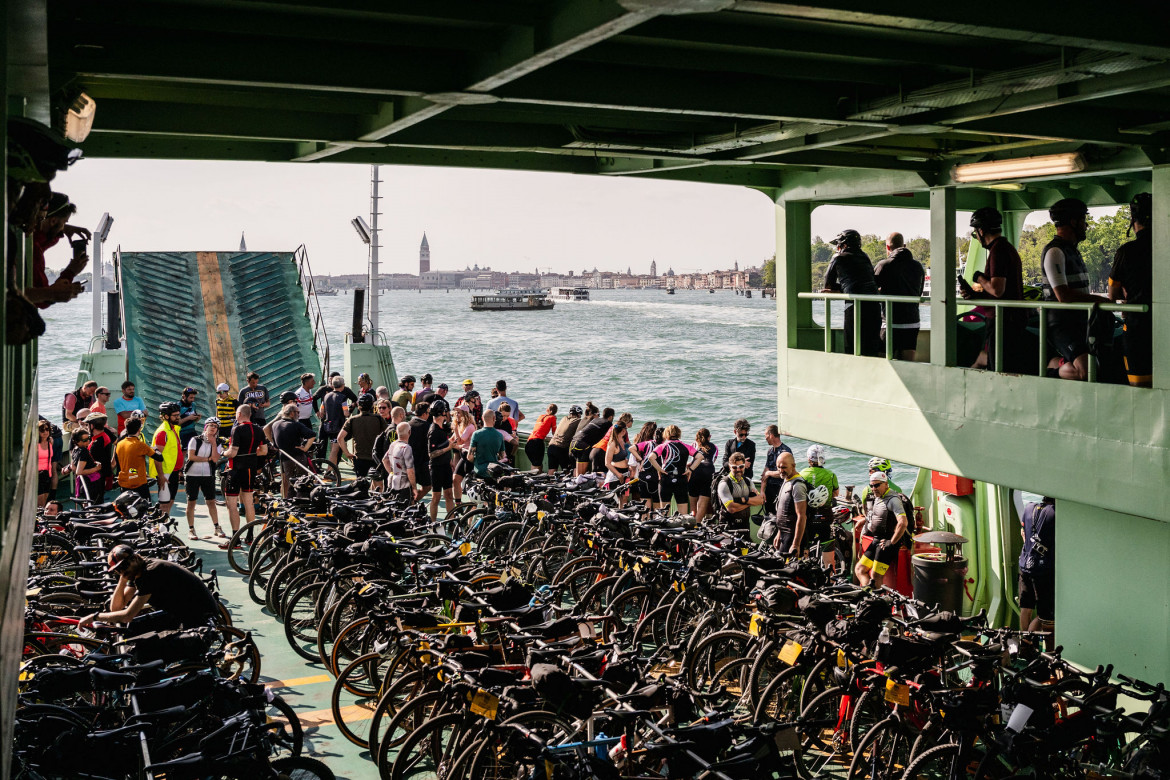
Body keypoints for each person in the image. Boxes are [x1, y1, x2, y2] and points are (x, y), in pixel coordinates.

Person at [78, 545, 220, 634]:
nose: (121, 571)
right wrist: (123, 579)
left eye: (123, 567)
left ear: (134, 559)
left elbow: (128, 615)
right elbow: (117, 607)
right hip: (180, 611)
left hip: (199, 616)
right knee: (134, 629)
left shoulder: (150, 572)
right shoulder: (138, 570)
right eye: (117, 570)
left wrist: (94, 617)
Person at [1041, 198, 1109, 381]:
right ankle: (1053, 369)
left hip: (1080, 322)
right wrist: (1100, 300)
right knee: (1086, 371)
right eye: (1083, 221)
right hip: (1062, 324)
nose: (1086, 226)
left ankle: (1059, 363)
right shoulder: (1055, 252)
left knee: (1098, 366)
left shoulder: (1073, 251)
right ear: (1073, 222)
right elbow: (1062, 295)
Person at [960, 207, 1029, 373]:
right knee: (999, 362)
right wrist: (976, 296)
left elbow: (997, 290)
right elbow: (1002, 293)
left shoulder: (998, 251)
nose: (976, 237)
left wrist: (979, 277)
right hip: (1010, 318)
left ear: (981, 231)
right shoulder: (1005, 248)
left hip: (1003, 321)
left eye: (975, 233)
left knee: (999, 367)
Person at [1109, 193, 1153, 387]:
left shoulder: (1126, 252)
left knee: (1141, 387)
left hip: (1138, 327)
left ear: (1133, 220)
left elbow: (1113, 294)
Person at [823, 228, 882, 357]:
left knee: (852, 348)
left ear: (842, 245)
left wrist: (843, 288)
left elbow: (828, 284)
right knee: (871, 349)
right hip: (874, 306)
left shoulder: (838, 257)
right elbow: (870, 279)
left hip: (855, 307)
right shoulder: (865, 257)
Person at [27, 191, 89, 309]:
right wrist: (70, 272)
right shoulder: (34, 250)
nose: (63, 229)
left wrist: (63, 228)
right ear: (53, 221)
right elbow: (43, 300)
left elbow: (44, 237)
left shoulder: (31, 241)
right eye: (64, 222)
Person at [874, 232, 926, 361]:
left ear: (887, 248)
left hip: (890, 322)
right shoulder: (918, 266)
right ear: (905, 245)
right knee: (908, 365)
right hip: (912, 322)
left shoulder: (883, 265)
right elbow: (919, 292)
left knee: (883, 363)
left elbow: (872, 289)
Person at [220, 404, 267, 546]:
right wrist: (250, 452)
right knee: (249, 502)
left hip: (236, 469)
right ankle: (250, 536)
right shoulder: (258, 429)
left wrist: (223, 453)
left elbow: (233, 452)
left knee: (232, 504)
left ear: (239, 414)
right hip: (250, 469)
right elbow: (263, 450)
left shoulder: (237, 429)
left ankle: (235, 539)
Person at [855, 472, 908, 588]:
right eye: (872, 485)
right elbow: (876, 516)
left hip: (887, 544)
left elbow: (903, 523)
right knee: (859, 569)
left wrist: (891, 542)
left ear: (886, 484)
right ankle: (867, 596)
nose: (874, 488)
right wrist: (863, 521)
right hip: (876, 540)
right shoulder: (878, 497)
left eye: (877, 485)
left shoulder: (894, 500)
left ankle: (875, 602)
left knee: (875, 576)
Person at [1018, 496, 1056, 631]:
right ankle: (1028, 644)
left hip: (1025, 564)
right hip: (1043, 570)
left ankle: (1024, 641)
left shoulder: (1029, 508)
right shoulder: (1055, 512)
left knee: (1026, 607)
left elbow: (1023, 533)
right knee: (1044, 616)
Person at [800, 444, 840, 566]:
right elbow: (835, 493)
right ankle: (831, 582)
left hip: (807, 518)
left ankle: (803, 581)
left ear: (809, 459)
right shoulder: (831, 474)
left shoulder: (802, 474)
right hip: (825, 518)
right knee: (829, 559)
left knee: (804, 556)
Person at [185, 417, 224, 540]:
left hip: (208, 475)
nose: (213, 428)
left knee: (211, 501)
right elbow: (191, 457)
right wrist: (207, 459)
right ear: (205, 427)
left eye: (215, 426)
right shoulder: (195, 440)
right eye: (211, 425)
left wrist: (213, 443)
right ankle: (191, 529)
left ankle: (217, 527)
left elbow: (216, 459)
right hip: (192, 474)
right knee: (191, 502)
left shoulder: (217, 443)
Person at [649, 425, 702, 515]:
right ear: (679, 434)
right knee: (683, 514)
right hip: (681, 479)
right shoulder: (686, 446)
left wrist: (660, 469)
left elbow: (651, 457)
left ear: (666, 434)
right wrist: (690, 470)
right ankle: (682, 528)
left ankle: (665, 527)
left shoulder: (663, 446)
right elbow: (700, 457)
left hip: (666, 479)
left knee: (664, 512)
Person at [271, 405, 316, 497]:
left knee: (290, 482)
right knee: (302, 481)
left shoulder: (275, 425)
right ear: (292, 413)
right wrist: (306, 448)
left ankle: (289, 501)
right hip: (298, 457)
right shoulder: (296, 425)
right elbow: (312, 434)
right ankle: (302, 500)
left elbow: (275, 445)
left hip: (284, 459)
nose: (299, 415)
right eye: (297, 412)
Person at [338, 394, 386, 478]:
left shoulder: (352, 420)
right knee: (377, 483)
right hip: (376, 457)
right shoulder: (378, 418)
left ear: (358, 405)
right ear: (372, 405)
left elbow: (340, 438)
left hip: (359, 457)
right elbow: (389, 433)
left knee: (360, 484)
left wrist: (347, 453)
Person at [147, 403, 184, 516]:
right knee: (164, 504)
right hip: (166, 473)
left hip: (173, 471)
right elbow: (157, 456)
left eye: (178, 414)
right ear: (166, 416)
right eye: (175, 415)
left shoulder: (173, 429)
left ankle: (164, 525)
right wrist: (161, 476)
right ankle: (160, 529)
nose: (178, 417)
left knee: (170, 501)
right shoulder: (163, 432)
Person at [114, 417, 162, 503]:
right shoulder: (140, 445)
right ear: (139, 429)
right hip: (139, 483)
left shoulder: (120, 444)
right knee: (145, 509)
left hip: (124, 482)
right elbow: (159, 458)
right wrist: (155, 448)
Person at [715, 451, 765, 529]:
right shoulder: (724, 484)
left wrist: (743, 500)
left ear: (745, 466)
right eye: (734, 467)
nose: (738, 469)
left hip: (745, 525)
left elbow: (761, 500)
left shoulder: (748, 481)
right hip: (728, 527)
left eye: (741, 466)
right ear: (729, 466)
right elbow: (731, 508)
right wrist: (751, 502)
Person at [770, 452, 808, 552]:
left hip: (792, 536)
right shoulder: (787, 480)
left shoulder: (797, 486)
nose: (780, 471)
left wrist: (796, 544)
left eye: (784, 467)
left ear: (793, 466)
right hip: (784, 534)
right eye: (778, 467)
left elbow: (802, 516)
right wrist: (779, 533)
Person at [759, 425, 793, 523]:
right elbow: (765, 472)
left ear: (771, 435)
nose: (765, 438)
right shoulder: (770, 451)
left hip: (782, 489)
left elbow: (786, 473)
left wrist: (769, 473)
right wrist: (762, 490)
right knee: (769, 516)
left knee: (781, 516)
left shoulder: (786, 451)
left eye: (766, 435)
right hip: (770, 489)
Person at [427, 407, 455, 521]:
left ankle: (451, 521)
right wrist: (448, 448)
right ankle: (433, 523)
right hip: (437, 467)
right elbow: (431, 454)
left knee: (449, 494)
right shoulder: (433, 431)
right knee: (436, 497)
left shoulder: (442, 428)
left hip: (446, 466)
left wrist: (450, 460)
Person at [571, 406, 613, 476]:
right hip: (583, 444)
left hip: (574, 441)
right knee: (581, 475)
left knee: (578, 472)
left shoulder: (596, 419)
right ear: (611, 417)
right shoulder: (608, 423)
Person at [688, 428, 718, 522]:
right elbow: (713, 460)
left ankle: (692, 524)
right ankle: (697, 524)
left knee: (693, 503)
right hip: (708, 472)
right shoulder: (714, 447)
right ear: (709, 437)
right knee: (703, 502)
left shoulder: (693, 445)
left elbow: (692, 460)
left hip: (695, 472)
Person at [370, 403, 402, 492]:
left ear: (389, 409)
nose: (381, 410)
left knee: (378, 485)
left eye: (383, 408)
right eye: (379, 408)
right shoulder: (391, 428)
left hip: (379, 456)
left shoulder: (389, 424)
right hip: (382, 459)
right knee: (381, 485)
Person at [629, 422, 661, 508]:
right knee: (657, 505)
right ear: (654, 433)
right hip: (655, 476)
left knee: (645, 506)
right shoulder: (658, 444)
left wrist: (640, 459)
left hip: (642, 476)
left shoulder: (642, 444)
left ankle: (645, 520)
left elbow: (631, 449)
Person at [382, 421, 416, 501]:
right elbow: (410, 470)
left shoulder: (393, 444)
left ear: (397, 432)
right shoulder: (406, 448)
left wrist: (392, 472)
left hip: (391, 481)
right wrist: (414, 487)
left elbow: (385, 460)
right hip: (403, 485)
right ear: (409, 432)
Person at [320, 376, 349, 466]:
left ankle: (334, 469)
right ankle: (329, 471)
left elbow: (322, 411)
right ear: (343, 385)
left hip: (328, 426)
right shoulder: (343, 398)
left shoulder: (326, 396)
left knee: (333, 447)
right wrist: (350, 409)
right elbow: (346, 413)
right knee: (335, 450)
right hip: (338, 427)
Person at [469, 409, 507, 477]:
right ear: (494, 418)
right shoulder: (499, 435)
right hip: (493, 471)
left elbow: (469, 457)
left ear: (482, 418)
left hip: (479, 471)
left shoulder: (476, 434)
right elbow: (502, 456)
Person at [546, 405, 582, 475]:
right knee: (567, 471)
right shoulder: (578, 421)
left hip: (551, 446)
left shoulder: (564, 418)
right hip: (561, 448)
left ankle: (550, 483)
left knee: (552, 469)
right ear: (578, 414)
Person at [68, 429, 102, 503]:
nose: (88, 441)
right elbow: (79, 471)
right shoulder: (83, 451)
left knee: (86, 503)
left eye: (89, 438)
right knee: (95, 504)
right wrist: (96, 468)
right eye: (85, 440)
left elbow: (73, 467)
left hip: (82, 483)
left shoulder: (75, 450)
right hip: (91, 483)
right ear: (76, 441)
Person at [601, 422, 632, 503]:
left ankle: (622, 513)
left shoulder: (622, 440)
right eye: (626, 429)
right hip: (616, 474)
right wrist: (618, 474)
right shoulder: (612, 444)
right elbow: (607, 463)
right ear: (623, 431)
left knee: (624, 498)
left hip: (625, 473)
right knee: (617, 499)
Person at [86, 413, 115, 498]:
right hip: (103, 475)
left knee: (94, 500)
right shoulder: (103, 435)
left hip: (97, 477)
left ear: (92, 426)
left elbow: (89, 460)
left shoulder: (98, 442)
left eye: (88, 424)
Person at [408, 402, 432, 500]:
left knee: (409, 488)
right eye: (428, 412)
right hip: (422, 463)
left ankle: (410, 503)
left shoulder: (408, 425)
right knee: (427, 486)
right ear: (424, 414)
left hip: (408, 463)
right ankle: (414, 501)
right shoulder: (427, 427)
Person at [451, 407, 477, 500]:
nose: (456, 414)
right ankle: (458, 503)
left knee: (470, 484)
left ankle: (474, 506)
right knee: (455, 479)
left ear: (464, 414)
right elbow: (452, 440)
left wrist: (456, 430)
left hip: (470, 457)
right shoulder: (460, 425)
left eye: (459, 413)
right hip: (463, 455)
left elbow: (460, 441)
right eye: (456, 412)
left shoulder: (470, 427)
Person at [524, 404, 557, 471]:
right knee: (537, 465)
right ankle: (536, 479)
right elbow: (554, 433)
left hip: (529, 442)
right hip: (537, 442)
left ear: (547, 410)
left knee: (535, 464)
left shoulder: (541, 416)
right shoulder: (552, 418)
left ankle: (534, 478)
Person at [36, 419, 58, 507]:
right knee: (40, 502)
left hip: (47, 474)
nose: (45, 432)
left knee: (45, 498)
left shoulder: (50, 442)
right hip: (37, 475)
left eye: (47, 429)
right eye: (42, 430)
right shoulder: (35, 444)